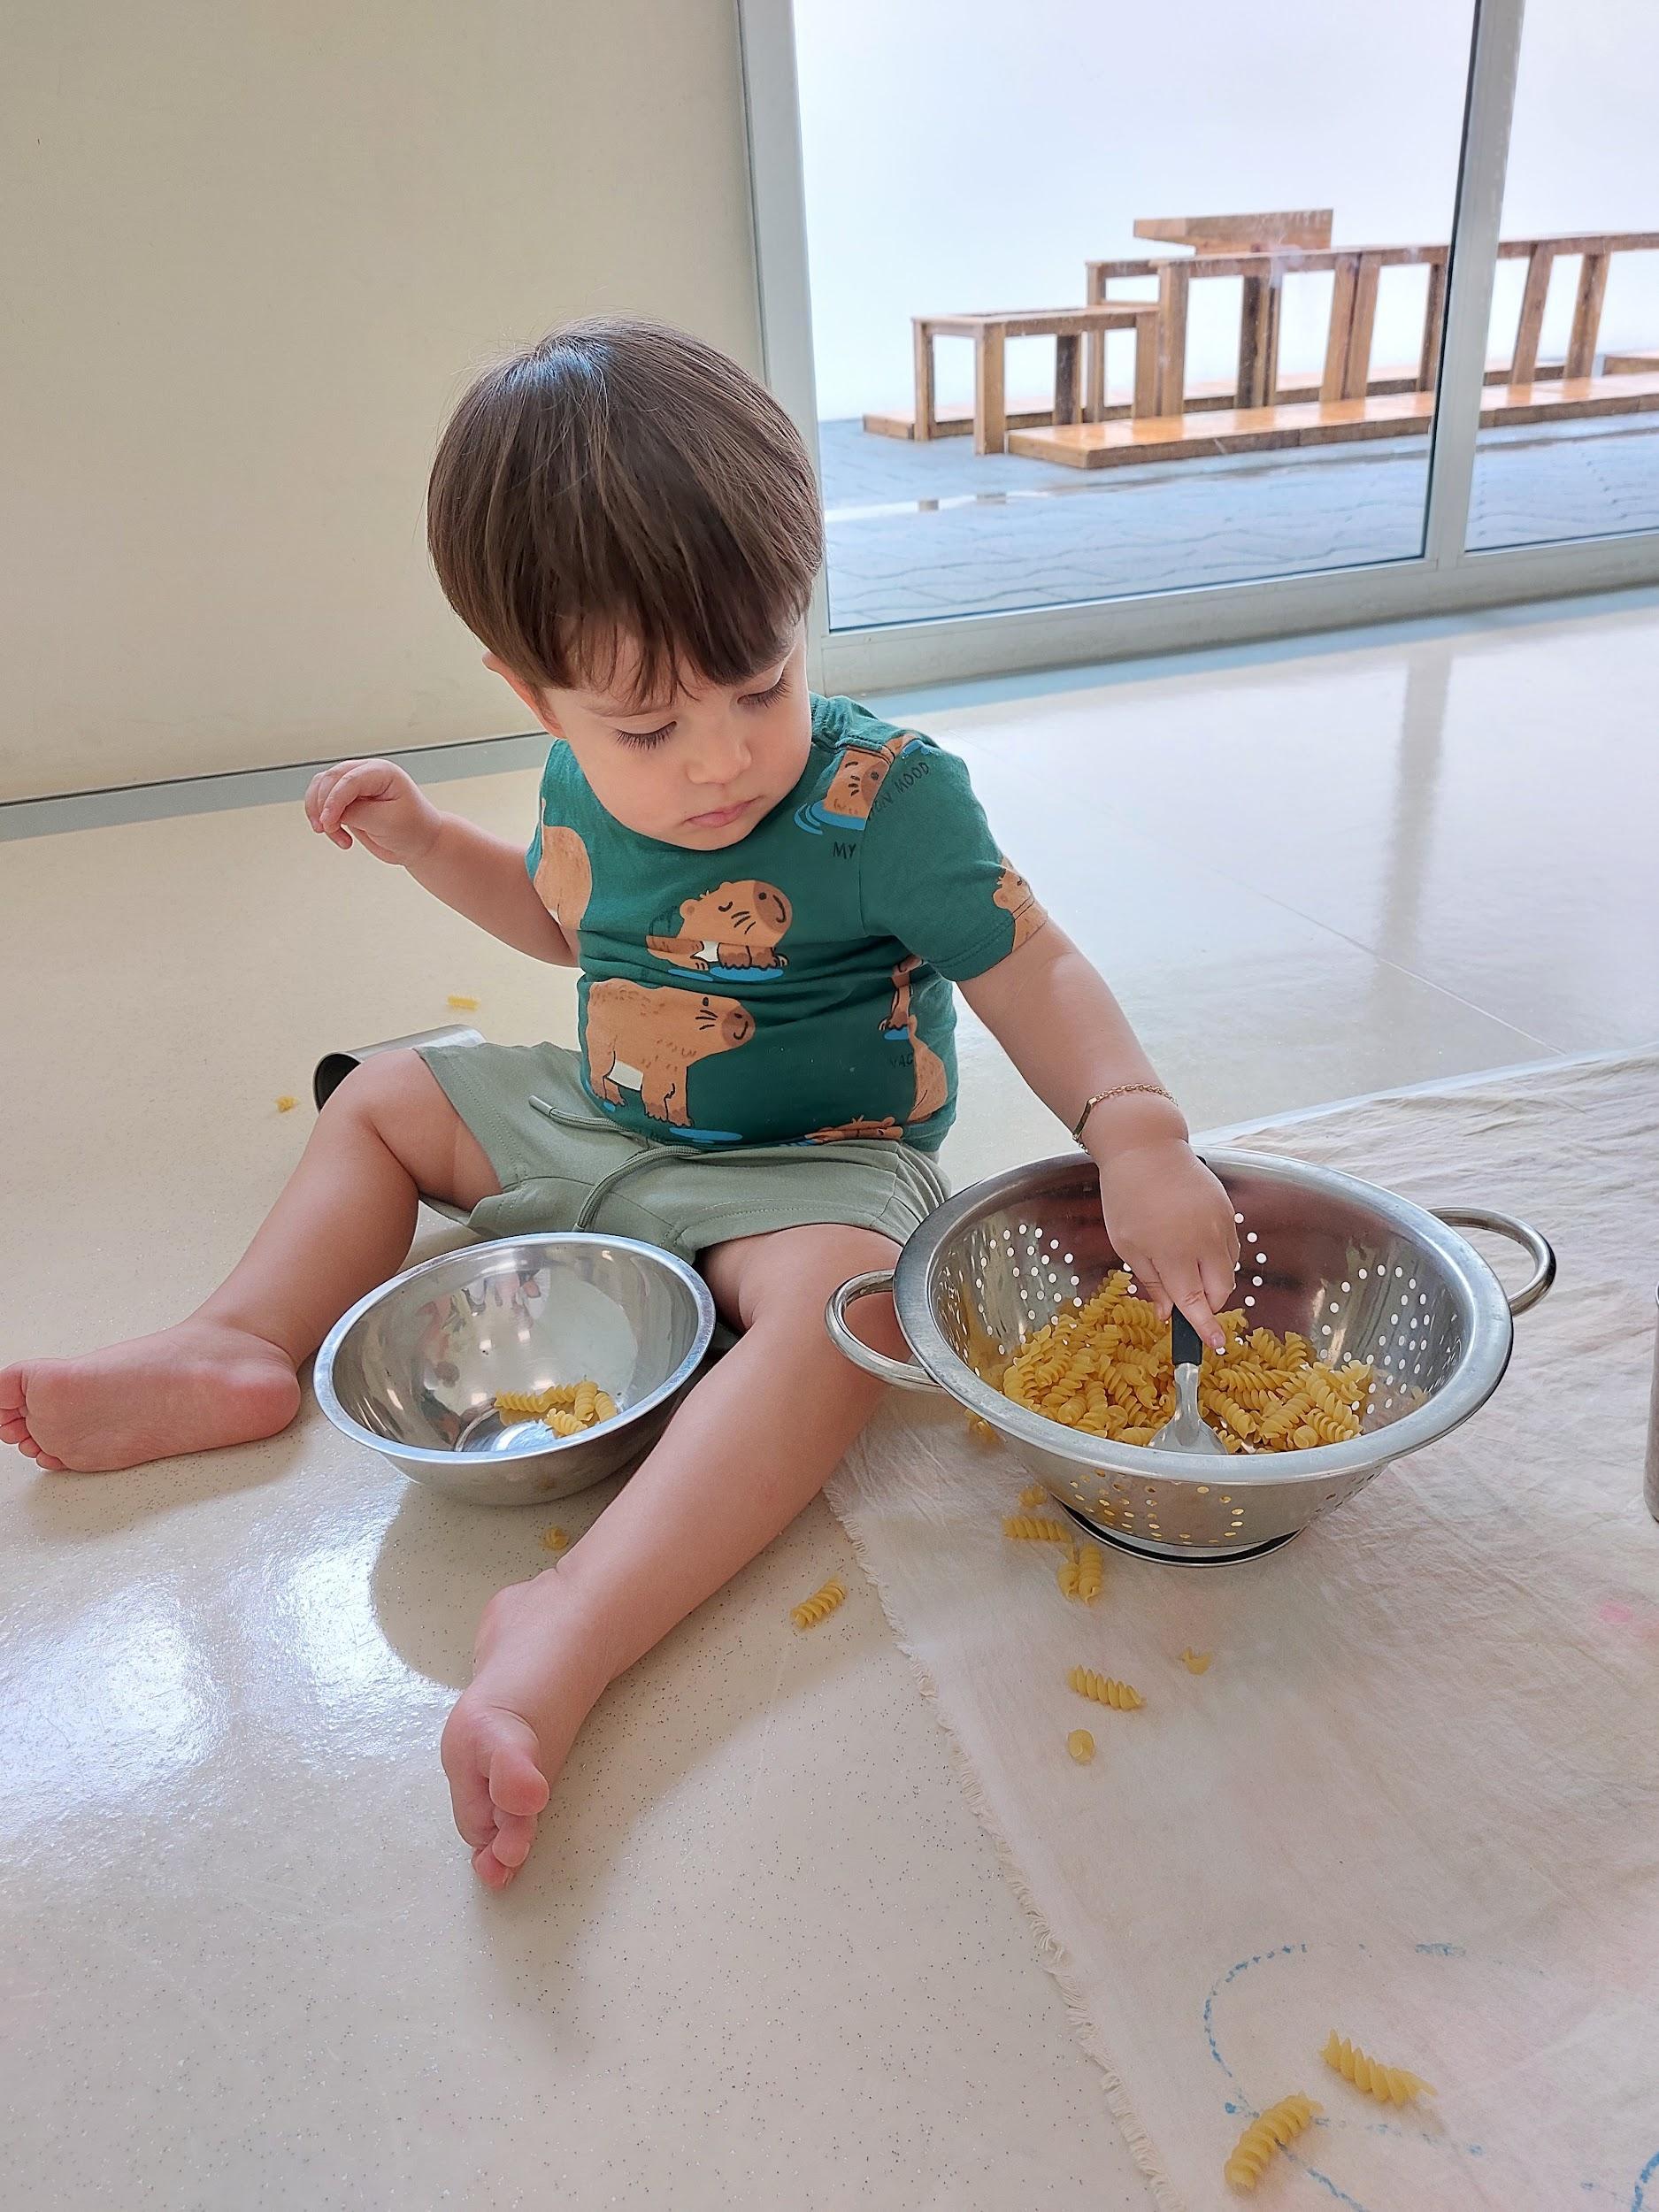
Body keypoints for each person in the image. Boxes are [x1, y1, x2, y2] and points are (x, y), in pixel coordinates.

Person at [1, 319, 1239, 1887]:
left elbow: (1032, 963)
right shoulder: (581, 779)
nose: (718, 761)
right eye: (647, 728)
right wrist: (427, 846)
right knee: (382, 1095)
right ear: (535, 698)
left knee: (852, 1311)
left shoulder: (889, 801)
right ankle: (240, 1341)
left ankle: (573, 1617)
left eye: (761, 685)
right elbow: (564, 923)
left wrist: (1135, 1128)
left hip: (813, 1171)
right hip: (603, 1118)